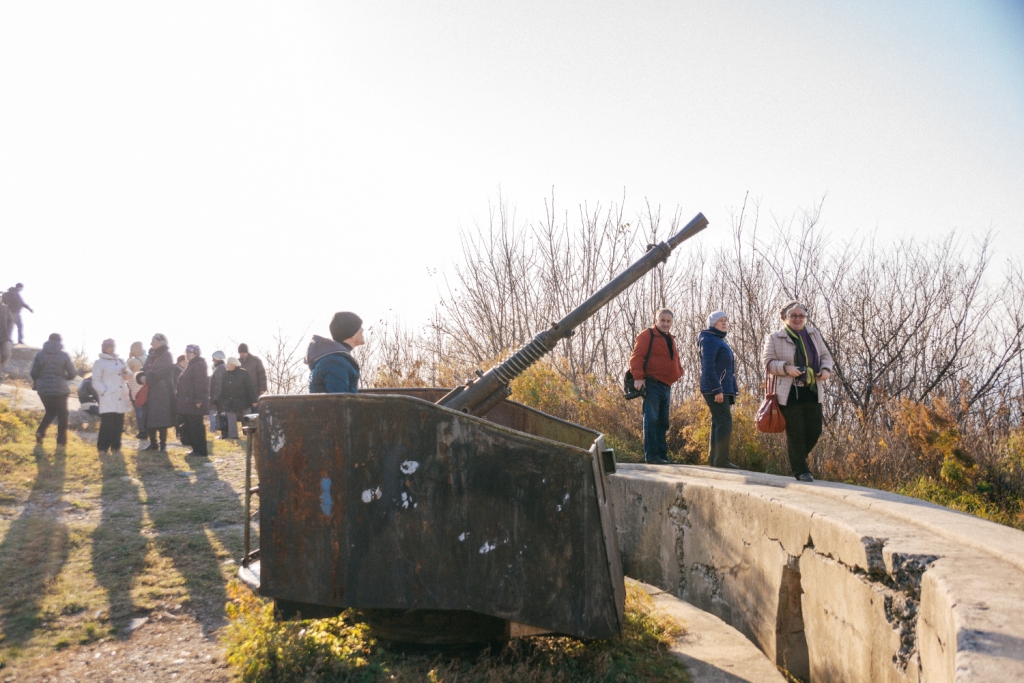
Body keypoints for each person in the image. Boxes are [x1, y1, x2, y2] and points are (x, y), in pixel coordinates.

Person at [761, 301, 835, 482]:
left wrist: (826, 370)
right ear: (785, 317)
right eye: (793, 315)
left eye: (801, 316)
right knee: (796, 432)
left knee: (815, 430)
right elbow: (768, 363)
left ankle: (797, 459)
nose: (797, 319)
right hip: (789, 392)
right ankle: (801, 470)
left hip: (811, 388)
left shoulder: (813, 334)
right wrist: (786, 368)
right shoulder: (775, 337)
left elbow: (825, 356)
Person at [630, 309, 684, 464]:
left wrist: (678, 372)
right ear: (656, 320)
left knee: (663, 421)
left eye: (668, 321)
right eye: (663, 321)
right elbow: (636, 357)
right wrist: (638, 377)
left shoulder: (670, 338)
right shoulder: (647, 335)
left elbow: (675, 359)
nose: (666, 324)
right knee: (651, 420)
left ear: (672, 322)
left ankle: (662, 456)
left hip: (666, 386)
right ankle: (652, 456)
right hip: (652, 384)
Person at [698, 311, 740, 469]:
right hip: (714, 387)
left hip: (721, 387)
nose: (724, 323)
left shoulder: (717, 339)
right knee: (724, 422)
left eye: (725, 321)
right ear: (712, 323)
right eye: (720, 321)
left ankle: (715, 460)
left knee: (718, 421)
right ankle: (721, 460)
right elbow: (708, 367)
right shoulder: (709, 339)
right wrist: (717, 389)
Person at [30, 333, 77, 447]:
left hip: (43, 390)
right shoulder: (64, 355)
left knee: (50, 412)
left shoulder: (39, 355)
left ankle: (40, 432)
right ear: (60, 342)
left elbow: (33, 373)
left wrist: (42, 379)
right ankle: (61, 441)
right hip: (60, 390)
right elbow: (73, 373)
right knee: (63, 414)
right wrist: (64, 377)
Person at [91, 339, 133, 454]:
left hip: (121, 396)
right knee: (107, 423)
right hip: (109, 397)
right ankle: (103, 447)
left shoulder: (120, 361)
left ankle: (116, 447)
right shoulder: (99, 362)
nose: (111, 349)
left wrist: (126, 372)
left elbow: (129, 377)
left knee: (118, 423)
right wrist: (104, 392)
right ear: (104, 348)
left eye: (113, 346)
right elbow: (96, 380)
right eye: (109, 347)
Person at [306, 312, 363, 394]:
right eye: (360, 327)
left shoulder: (336, 359)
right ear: (352, 333)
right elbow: (339, 402)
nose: (362, 330)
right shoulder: (335, 362)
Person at [142, 333, 176, 451]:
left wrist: (147, 376)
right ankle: (153, 443)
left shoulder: (167, 355)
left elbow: (163, 370)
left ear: (161, 343)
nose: (151, 344)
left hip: (163, 391)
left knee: (162, 418)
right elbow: (145, 368)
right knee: (150, 417)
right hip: (150, 390)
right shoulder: (151, 355)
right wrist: (140, 376)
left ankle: (163, 444)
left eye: (154, 342)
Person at [175, 344, 210, 457]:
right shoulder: (192, 365)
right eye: (186, 352)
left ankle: (200, 451)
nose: (187, 354)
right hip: (189, 402)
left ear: (196, 353)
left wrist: (199, 399)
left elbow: (201, 382)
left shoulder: (199, 364)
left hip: (194, 402)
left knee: (196, 427)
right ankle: (196, 449)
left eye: (189, 352)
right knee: (192, 426)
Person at [220, 356, 256, 438]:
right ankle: (233, 436)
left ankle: (249, 435)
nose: (227, 365)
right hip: (229, 402)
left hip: (243, 401)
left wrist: (254, 400)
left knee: (246, 419)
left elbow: (250, 387)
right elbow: (223, 389)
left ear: (233, 365)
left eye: (228, 364)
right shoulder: (225, 375)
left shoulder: (243, 373)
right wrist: (222, 401)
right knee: (231, 419)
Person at [126, 342, 148, 438]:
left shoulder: (132, 361)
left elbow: (125, 371)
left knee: (139, 411)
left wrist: (129, 357)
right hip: (146, 388)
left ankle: (142, 432)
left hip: (135, 389)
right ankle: (148, 431)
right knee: (146, 412)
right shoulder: (147, 359)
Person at [172, 354, 189, 445]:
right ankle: (178, 432)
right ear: (179, 362)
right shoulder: (175, 371)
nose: (186, 363)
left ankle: (184, 434)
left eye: (187, 361)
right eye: (184, 361)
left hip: (185, 397)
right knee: (179, 416)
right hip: (177, 396)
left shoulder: (187, 371)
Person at [209, 350, 227, 438]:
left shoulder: (220, 368)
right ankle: (224, 433)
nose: (212, 360)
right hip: (221, 396)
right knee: (221, 415)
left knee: (222, 415)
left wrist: (215, 397)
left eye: (213, 358)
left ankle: (224, 434)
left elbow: (218, 384)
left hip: (220, 397)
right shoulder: (221, 367)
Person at [0, 300, 13, 378]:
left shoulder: (5, 308)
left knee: (7, 354)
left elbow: (10, 321)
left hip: (4, 337)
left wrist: (9, 333)